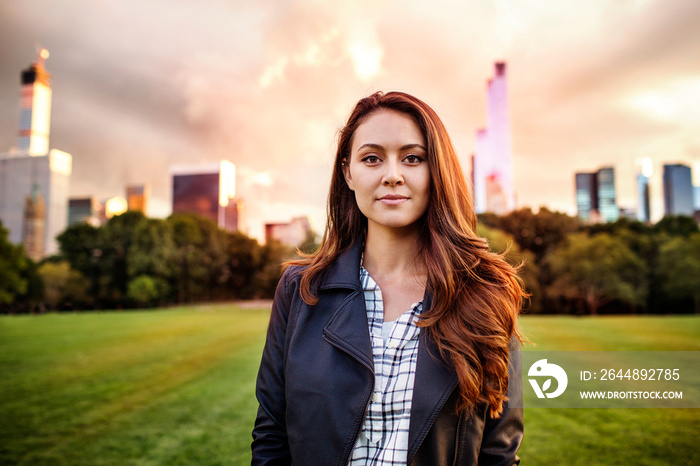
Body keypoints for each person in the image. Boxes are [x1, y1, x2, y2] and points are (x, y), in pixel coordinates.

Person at [252, 91, 526, 465]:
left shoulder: (485, 292)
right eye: (372, 158)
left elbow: (499, 452)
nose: (392, 175)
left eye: (413, 158)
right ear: (348, 172)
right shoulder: (300, 291)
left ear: (436, 171)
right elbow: (272, 436)